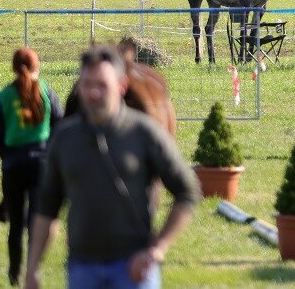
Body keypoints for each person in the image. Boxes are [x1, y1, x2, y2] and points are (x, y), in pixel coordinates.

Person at [23, 45, 201, 289]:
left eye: (102, 85)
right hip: (82, 269)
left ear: (122, 86)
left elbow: (188, 191)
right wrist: (32, 268)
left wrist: (158, 249)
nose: (94, 93)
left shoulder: (144, 133)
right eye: (87, 84)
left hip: (134, 268)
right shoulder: (64, 139)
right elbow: (46, 208)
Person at [0, 47, 64, 287]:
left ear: (13, 67)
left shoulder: (5, 95)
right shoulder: (46, 91)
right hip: (41, 165)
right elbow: (60, 125)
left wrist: (7, 156)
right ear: (36, 67)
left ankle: (14, 273)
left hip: (14, 166)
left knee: (16, 225)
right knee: (35, 222)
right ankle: (33, 269)